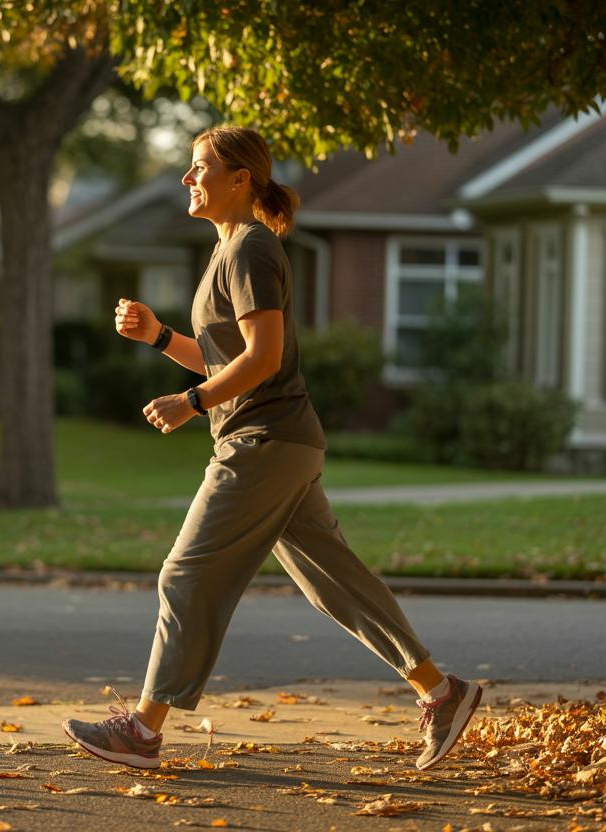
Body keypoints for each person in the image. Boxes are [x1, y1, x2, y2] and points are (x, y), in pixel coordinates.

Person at [62, 125, 482, 773]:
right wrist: (159, 337)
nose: (187, 178)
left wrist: (192, 401)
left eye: (200, 167)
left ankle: (142, 730)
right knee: (335, 582)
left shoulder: (252, 249)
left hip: (262, 440)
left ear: (240, 180)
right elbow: (224, 356)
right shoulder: (229, 250)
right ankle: (441, 692)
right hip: (283, 442)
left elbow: (264, 357)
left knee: (186, 573)